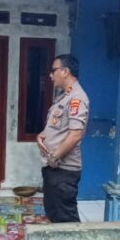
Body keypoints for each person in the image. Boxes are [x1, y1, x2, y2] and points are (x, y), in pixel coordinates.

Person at [37, 54, 89, 222]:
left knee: (66, 220)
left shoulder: (77, 98)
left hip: (64, 169)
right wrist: (41, 136)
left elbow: (75, 135)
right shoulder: (64, 96)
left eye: (54, 70)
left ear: (65, 71)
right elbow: (56, 127)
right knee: (54, 214)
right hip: (54, 168)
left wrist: (54, 156)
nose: (51, 75)